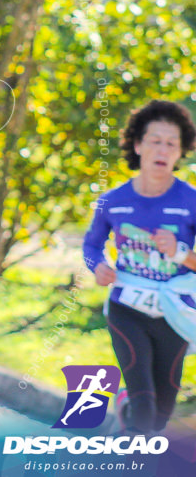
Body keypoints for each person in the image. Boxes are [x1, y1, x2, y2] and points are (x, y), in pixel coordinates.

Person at [83, 99, 196, 436]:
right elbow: (91, 244)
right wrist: (98, 266)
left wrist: (179, 253)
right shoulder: (113, 200)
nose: (162, 149)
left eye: (171, 143)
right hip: (126, 309)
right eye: (154, 141)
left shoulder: (190, 201)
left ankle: (125, 408)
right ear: (137, 145)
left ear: (181, 152)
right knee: (145, 409)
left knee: (160, 412)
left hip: (174, 313)